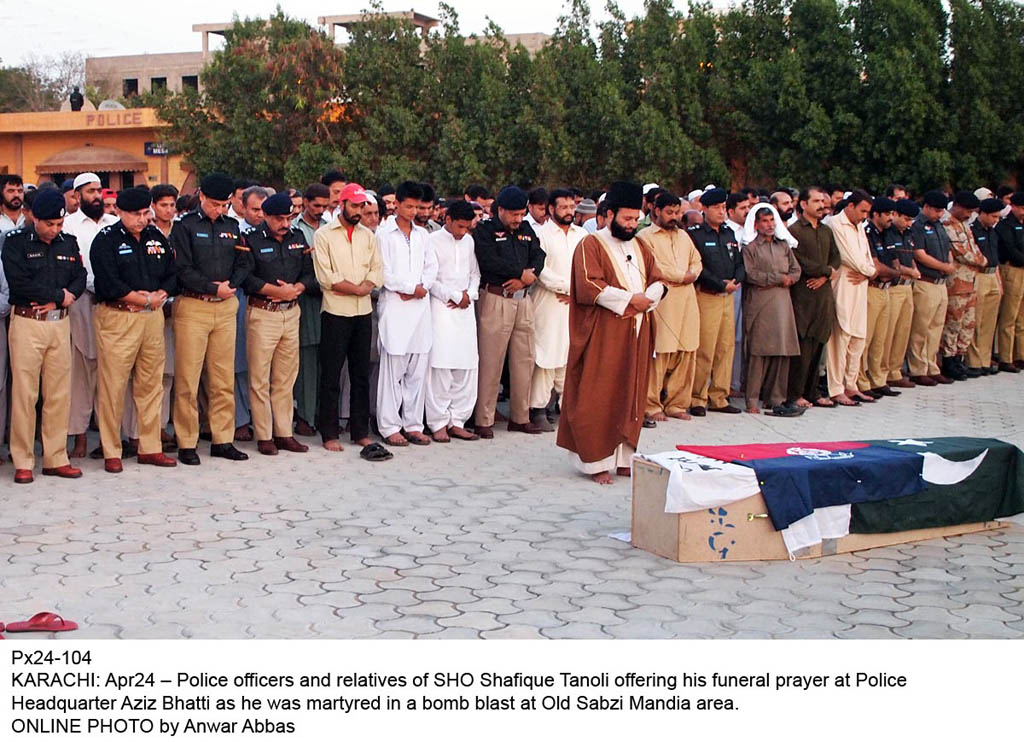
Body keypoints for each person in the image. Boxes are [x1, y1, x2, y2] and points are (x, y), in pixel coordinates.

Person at [557, 181, 666, 485]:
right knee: (600, 393)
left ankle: (624, 459)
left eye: (635, 219)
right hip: (604, 333)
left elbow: (659, 279)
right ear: (608, 215)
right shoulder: (591, 244)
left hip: (637, 330)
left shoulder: (641, 245)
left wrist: (650, 298)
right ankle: (595, 462)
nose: (632, 225)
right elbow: (590, 286)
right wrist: (631, 300)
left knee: (631, 393)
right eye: (626, 219)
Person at [90, 187, 178, 473]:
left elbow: (172, 273)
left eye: (145, 214)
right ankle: (111, 449)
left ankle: (150, 446)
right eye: (135, 215)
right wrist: (141, 298)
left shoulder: (156, 237)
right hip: (119, 317)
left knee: (151, 385)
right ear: (118, 212)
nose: (142, 220)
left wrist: (159, 294)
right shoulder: (106, 240)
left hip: (152, 317)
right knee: (113, 386)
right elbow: (108, 282)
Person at [2, 190, 87, 483]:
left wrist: (64, 298)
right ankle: (23, 460)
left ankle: (55, 457)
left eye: (59, 224)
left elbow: (79, 276)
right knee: (25, 394)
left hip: (59, 323)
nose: (54, 230)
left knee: (59, 394)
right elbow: (19, 283)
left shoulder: (69, 242)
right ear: (34, 218)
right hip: (28, 323)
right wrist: (57, 296)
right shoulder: (15, 243)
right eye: (49, 224)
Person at [170, 172, 251, 465]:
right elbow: (181, 267)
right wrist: (210, 287)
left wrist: (232, 284)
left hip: (226, 306)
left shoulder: (232, 227)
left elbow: (244, 259)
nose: (220, 210)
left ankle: (222, 439)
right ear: (202, 196)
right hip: (194, 305)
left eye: (225, 205)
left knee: (222, 378)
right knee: (188, 380)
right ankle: (187, 442)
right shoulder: (185, 226)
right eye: (215, 204)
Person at [313, 183, 388, 460]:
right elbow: (326, 276)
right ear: (342, 204)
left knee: (360, 374)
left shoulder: (367, 236)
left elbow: (377, 270)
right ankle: (330, 433)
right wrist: (355, 288)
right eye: (354, 206)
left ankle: (360, 431)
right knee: (332, 374)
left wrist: (364, 286)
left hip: (362, 311)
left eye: (363, 207)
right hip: (335, 312)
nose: (360, 211)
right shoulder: (324, 235)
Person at [238, 192, 314, 456]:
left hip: (291, 312)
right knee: (259, 377)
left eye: (288, 218)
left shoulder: (297, 237)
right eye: (279, 219)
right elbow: (244, 277)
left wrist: (298, 288)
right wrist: (274, 290)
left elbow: (309, 271)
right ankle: (264, 434)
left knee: (285, 377)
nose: (284, 223)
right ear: (266, 217)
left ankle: (284, 433)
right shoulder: (251, 239)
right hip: (263, 313)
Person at [472, 185, 546, 437]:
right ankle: (484, 419)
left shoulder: (526, 230)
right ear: (500, 210)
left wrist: (527, 278)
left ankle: (520, 416)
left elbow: (539, 256)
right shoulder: (485, 230)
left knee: (524, 360)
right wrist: (518, 273)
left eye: (521, 214)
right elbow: (489, 260)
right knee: (491, 360)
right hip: (496, 298)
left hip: (523, 300)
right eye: (513, 214)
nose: (518, 219)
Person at [375, 182, 437, 447]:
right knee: (393, 370)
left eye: (417, 207)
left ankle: (413, 424)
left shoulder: (423, 235)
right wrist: (410, 288)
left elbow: (432, 266)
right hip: (396, 307)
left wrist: (422, 287)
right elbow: (384, 272)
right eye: (409, 206)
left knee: (417, 369)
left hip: (420, 308)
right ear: (396, 204)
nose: (413, 211)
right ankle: (389, 426)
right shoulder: (383, 233)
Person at [63, 172, 119, 459]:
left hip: (113, 305)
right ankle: (80, 438)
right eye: (90, 191)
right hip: (82, 303)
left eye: (99, 191)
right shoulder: (69, 226)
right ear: (77, 196)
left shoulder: (114, 224)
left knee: (109, 372)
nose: (97, 196)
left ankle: (110, 439)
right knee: (81, 374)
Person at [639, 191, 702, 423]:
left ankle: (677, 403)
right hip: (664, 300)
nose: (674, 217)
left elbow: (697, 260)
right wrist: (681, 276)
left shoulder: (684, 236)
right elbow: (656, 266)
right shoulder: (645, 237)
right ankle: (651, 404)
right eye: (669, 212)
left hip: (687, 300)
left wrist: (692, 274)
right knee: (660, 354)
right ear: (656, 211)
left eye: (677, 212)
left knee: (686, 351)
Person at [530, 188, 588, 432]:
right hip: (549, 302)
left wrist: (577, 291)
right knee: (545, 356)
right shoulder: (540, 234)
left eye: (572, 207)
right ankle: (538, 408)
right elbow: (539, 270)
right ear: (551, 209)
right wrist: (567, 287)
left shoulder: (582, 235)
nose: (569, 212)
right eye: (563, 207)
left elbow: (588, 266)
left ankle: (567, 409)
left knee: (570, 355)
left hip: (574, 304)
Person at [425, 200, 481, 442]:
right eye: (459, 226)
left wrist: (469, 294)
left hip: (466, 309)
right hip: (441, 308)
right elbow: (430, 278)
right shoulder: (432, 241)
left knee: (466, 366)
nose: (463, 232)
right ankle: (438, 422)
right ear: (446, 220)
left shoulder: (469, 241)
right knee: (440, 366)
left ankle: (457, 420)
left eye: (467, 227)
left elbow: (475, 273)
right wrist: (454, 295)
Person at [740, 204, 802, 415]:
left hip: (783, 303)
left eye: (771, 221)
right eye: (765, 221)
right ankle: (752, 400)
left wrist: (790, 278)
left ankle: (776, 399)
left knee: (782, 351)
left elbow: (796, 270)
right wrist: (777, 278)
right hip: (760, 303)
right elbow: (751, 275)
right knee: (759, 352)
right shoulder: (750, 248)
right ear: (756, 224)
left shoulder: (783, 245)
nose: (769, 225)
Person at [688, 188, 743, 415]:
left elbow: (739, 261)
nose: (722, 212)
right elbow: (698, 267)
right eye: (717, 208)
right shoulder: (697, 234)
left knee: (725, 348)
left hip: (728, 298)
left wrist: (737, 279)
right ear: (705, 209)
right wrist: (720, 284)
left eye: (723, 207)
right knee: (705, 349)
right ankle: (697, 398)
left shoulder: (729, 233)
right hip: (708, 296)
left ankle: (719, 396)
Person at [786, 187, 840, 408]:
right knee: (803, 346)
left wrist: (825, 277)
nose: (821, 205)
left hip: (823, 295)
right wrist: (825, 272)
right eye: (816, 201)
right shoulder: (795, 230)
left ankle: (813, 392)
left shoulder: (826, 231)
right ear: (803, 204)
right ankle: (796, 393)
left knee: (819, 343)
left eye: (822, 201)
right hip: (804, 294)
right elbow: (798, 260)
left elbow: (836, 258)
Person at [824, 190, 876, 406]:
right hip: (844, 285)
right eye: (862, 211)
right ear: (851, 206)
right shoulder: (835, 224)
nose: (864, 216)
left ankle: (851, 384)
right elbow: (850, 258)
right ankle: (836, 388)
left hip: (860, 285)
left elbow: (867, 257)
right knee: (840, 337)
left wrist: (868, 271)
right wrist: (870, 271)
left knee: (858, 337)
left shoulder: (860, 226)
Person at [292, 182, 330, 435]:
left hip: (331, 297)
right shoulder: (294, 228)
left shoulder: (330, 228)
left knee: (326, 359)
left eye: (325, 206)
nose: (320, 210)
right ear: (305, 203)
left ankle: (322, 413)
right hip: (304, 296)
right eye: (316, 205)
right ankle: (304, 416)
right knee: (306, 359)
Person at [907, 190, 957, 385]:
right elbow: (919, 254)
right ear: (926, 207)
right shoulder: (918, 225)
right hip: (925, 282)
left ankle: (931, 366)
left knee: (936, 328)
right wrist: (945, 266)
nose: (939, 214)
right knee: (921, 328)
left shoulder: (939, 226)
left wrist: (950, 264)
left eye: (942, 211)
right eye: (936, 210)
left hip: (941, 283)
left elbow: (948, 249)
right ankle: (918, 368)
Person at [857, 197, 901, 398]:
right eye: (888, 214)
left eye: (893, 214)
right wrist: (894, 272)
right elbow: (876, 267)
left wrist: (892, 272)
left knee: (881, 339)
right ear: (876, 214)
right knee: (865, 338)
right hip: (872, 288)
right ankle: (861, 381)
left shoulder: (888, 233)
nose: (891, 218)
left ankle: (878, 379)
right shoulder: (868, 233)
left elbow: (894, 263)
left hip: (887, 289)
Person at [940, 191, 986, 380]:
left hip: (970, 280)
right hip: (957, 282)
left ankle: (959, 358)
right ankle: (948, 360)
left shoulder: (964, 225)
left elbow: (974, 247)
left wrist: (980, 259)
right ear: (957, 206)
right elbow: (961, 252)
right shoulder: (947, 223)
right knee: (954, 321)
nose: (969, 214)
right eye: (967, 210)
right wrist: (982, 261)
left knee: (968, 322)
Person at [883, 199, 922, 389]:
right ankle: (883, 371)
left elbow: (912, 256)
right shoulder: (888, 233)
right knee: (889, 332)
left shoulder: (909, 233)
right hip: (895, 285)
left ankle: (895, 370)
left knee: (903, 332)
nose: (909, 223)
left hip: (908, 286)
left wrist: (913, 270)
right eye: (906, 219)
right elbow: (894, 263)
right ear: (895, 214)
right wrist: (910, 271)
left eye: (911, 220)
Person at [967, 197, 1004, 374]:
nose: (996, 220)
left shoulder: (992, 232)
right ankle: (974, 361)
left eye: (998, 217)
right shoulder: (972, 230)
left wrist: (999, 283)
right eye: (993, 217)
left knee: (989, 322)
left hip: (992, 276)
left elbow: (995, 258)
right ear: (983, 214)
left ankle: (985, 360)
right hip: (979, 276)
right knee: (977, 320)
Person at [995, 192, 1024, 372]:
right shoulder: (1005, 225)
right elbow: (1010, 249)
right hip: (1012, 269)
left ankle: (1020, 354)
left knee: (1022, 317)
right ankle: (1006, 357)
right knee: (1009, 316)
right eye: (1021, 208)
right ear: (1012, 206)